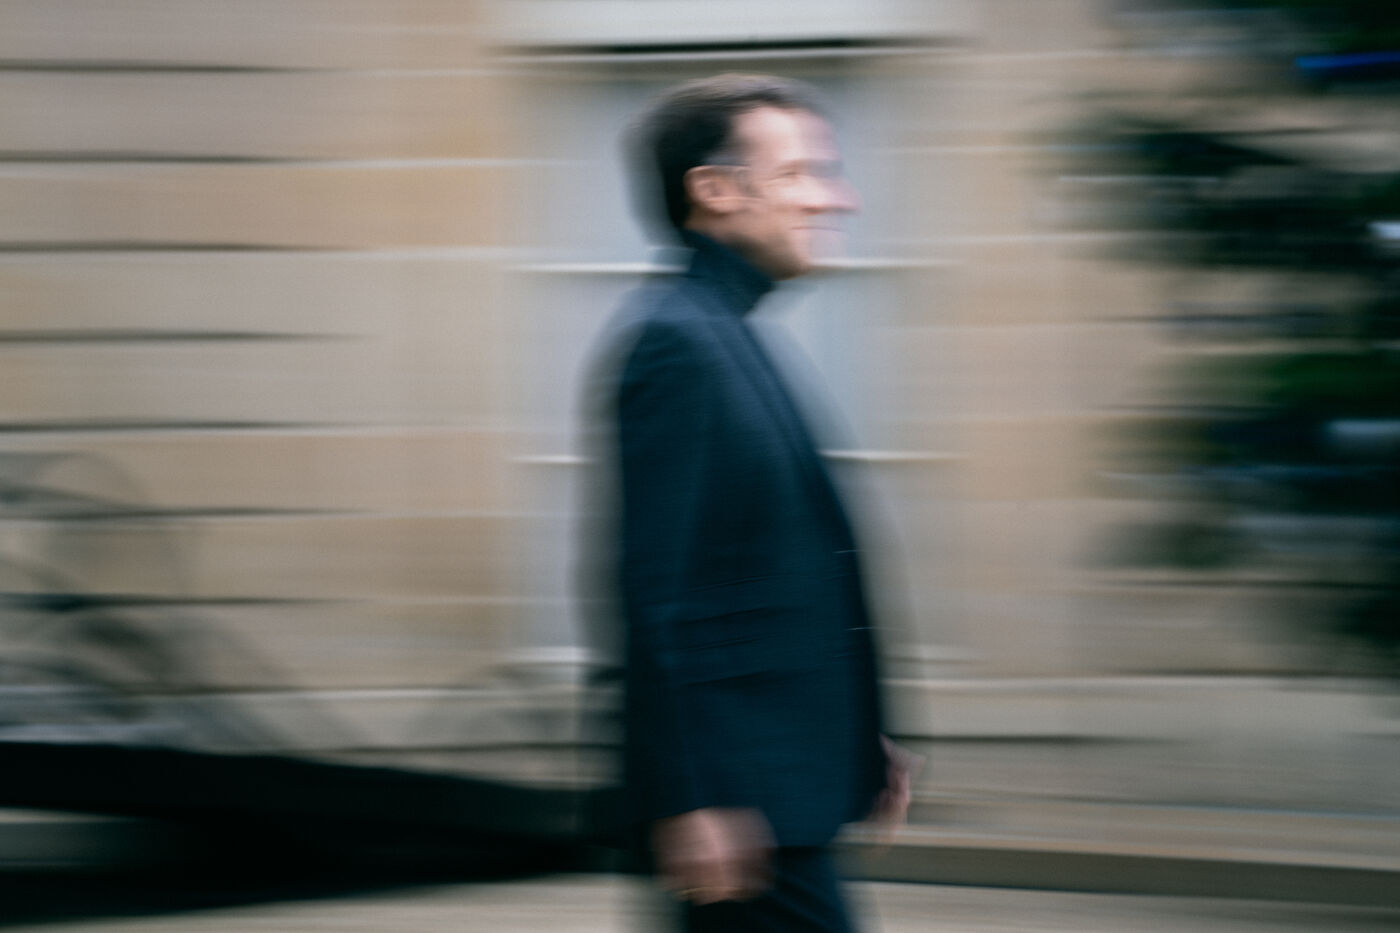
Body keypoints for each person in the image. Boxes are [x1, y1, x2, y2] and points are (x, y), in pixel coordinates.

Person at [585, 73, 916, 932]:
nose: (836, 198)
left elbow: (772, 572)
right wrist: (690, 794)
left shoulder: (724, 330)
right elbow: (659, 594)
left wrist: (859, 734)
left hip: (774, 795)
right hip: (742, 812)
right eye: (800, 173)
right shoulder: (679, 342)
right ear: (715, 190)